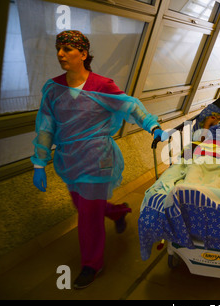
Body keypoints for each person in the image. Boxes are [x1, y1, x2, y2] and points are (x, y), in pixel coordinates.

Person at [31, 30, 167, 289]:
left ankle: (91, 264)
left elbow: (130, 106)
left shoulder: (102, 85)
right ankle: (118, 212)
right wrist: (39, 163)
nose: (60, 54)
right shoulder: (53, 89)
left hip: (97, 159)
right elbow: (46, 127)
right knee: (84, 206)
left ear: (83, 53)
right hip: (69, 161)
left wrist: (152, 126)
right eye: (59, 48)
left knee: (88, 217)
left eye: (68, 49)